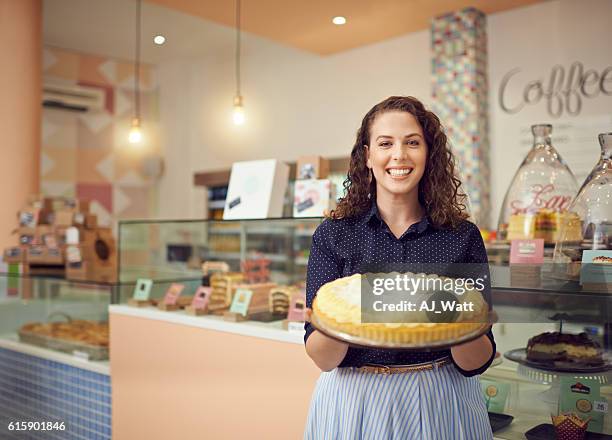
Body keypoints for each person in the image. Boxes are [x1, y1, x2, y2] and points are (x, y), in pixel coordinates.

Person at [303, 96, 495, 439]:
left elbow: (476, 361)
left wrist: (460, 318)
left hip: (441, 397)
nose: (399, 155)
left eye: (412, 143)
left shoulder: (462, 237)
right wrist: (336, 316)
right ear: (367, 156)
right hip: (353, 400)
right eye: (385, 143)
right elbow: (322, 357)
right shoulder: (333, 235)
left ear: (428, 153)